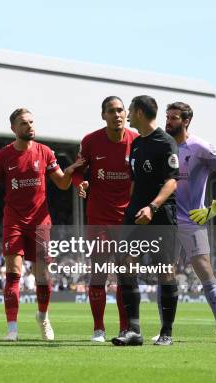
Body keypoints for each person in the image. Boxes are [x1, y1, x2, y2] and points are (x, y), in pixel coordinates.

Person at [0, 108, 85, 341]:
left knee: (43, 277)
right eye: (24, 123)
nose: (30, 126)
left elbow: (63, 185)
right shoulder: (3, 155)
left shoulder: (45, 152)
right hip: (14, 221)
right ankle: (12, 329)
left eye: (32, 122)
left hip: (40, 222)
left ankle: (43, 318)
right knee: (13, 274)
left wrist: (70, 171)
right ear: (14, 128)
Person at [165, 101, 216, 342]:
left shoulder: (200, 147)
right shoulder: (162, 146)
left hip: (192, 219)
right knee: (164, 273)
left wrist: (214, 207)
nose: (169, 121)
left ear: (186, 121)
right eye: (167, 117)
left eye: (174, 117)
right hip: (165, 219)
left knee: (203, 268)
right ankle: (166, 330)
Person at [112, 95, 179, 346]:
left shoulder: (166, 142)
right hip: (136, 213)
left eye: (129, 109)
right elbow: (135, 182)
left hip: (160, 213)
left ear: (139, 112)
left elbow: (172, 180)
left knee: (166, 271)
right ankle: (134, 331)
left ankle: (167, 333)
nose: (127, 113)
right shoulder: (137, 143)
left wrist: (152, 206)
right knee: (125, 263)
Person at [72, 96, 138, 342]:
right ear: (103, 115)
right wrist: (82, 184)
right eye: (111, 111)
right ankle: (98, 329)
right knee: (98, 273)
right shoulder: (90, 141)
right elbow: (77, 173)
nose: (117, 114)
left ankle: (124, 328)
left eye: (120, 110)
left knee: (125, 275)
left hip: (126, 220)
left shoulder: (136, 141)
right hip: (98, 217)